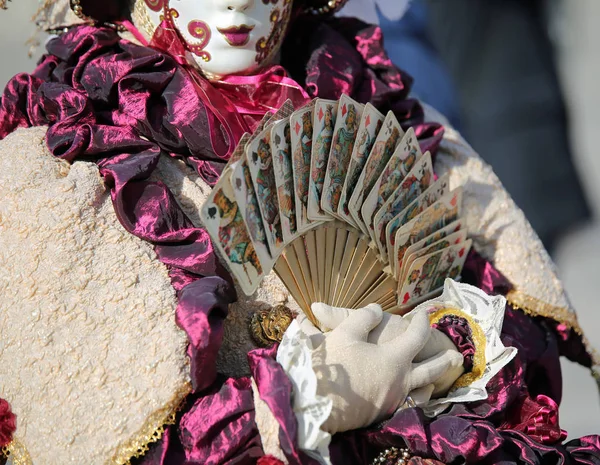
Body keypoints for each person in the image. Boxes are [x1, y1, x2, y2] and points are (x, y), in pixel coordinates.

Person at [0, 1, 598, 464]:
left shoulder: (389, 114)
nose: (235, 5)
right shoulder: (61, 167)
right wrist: (306, 396)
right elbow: (101, 436)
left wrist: (450, 348)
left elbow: (524, 333)